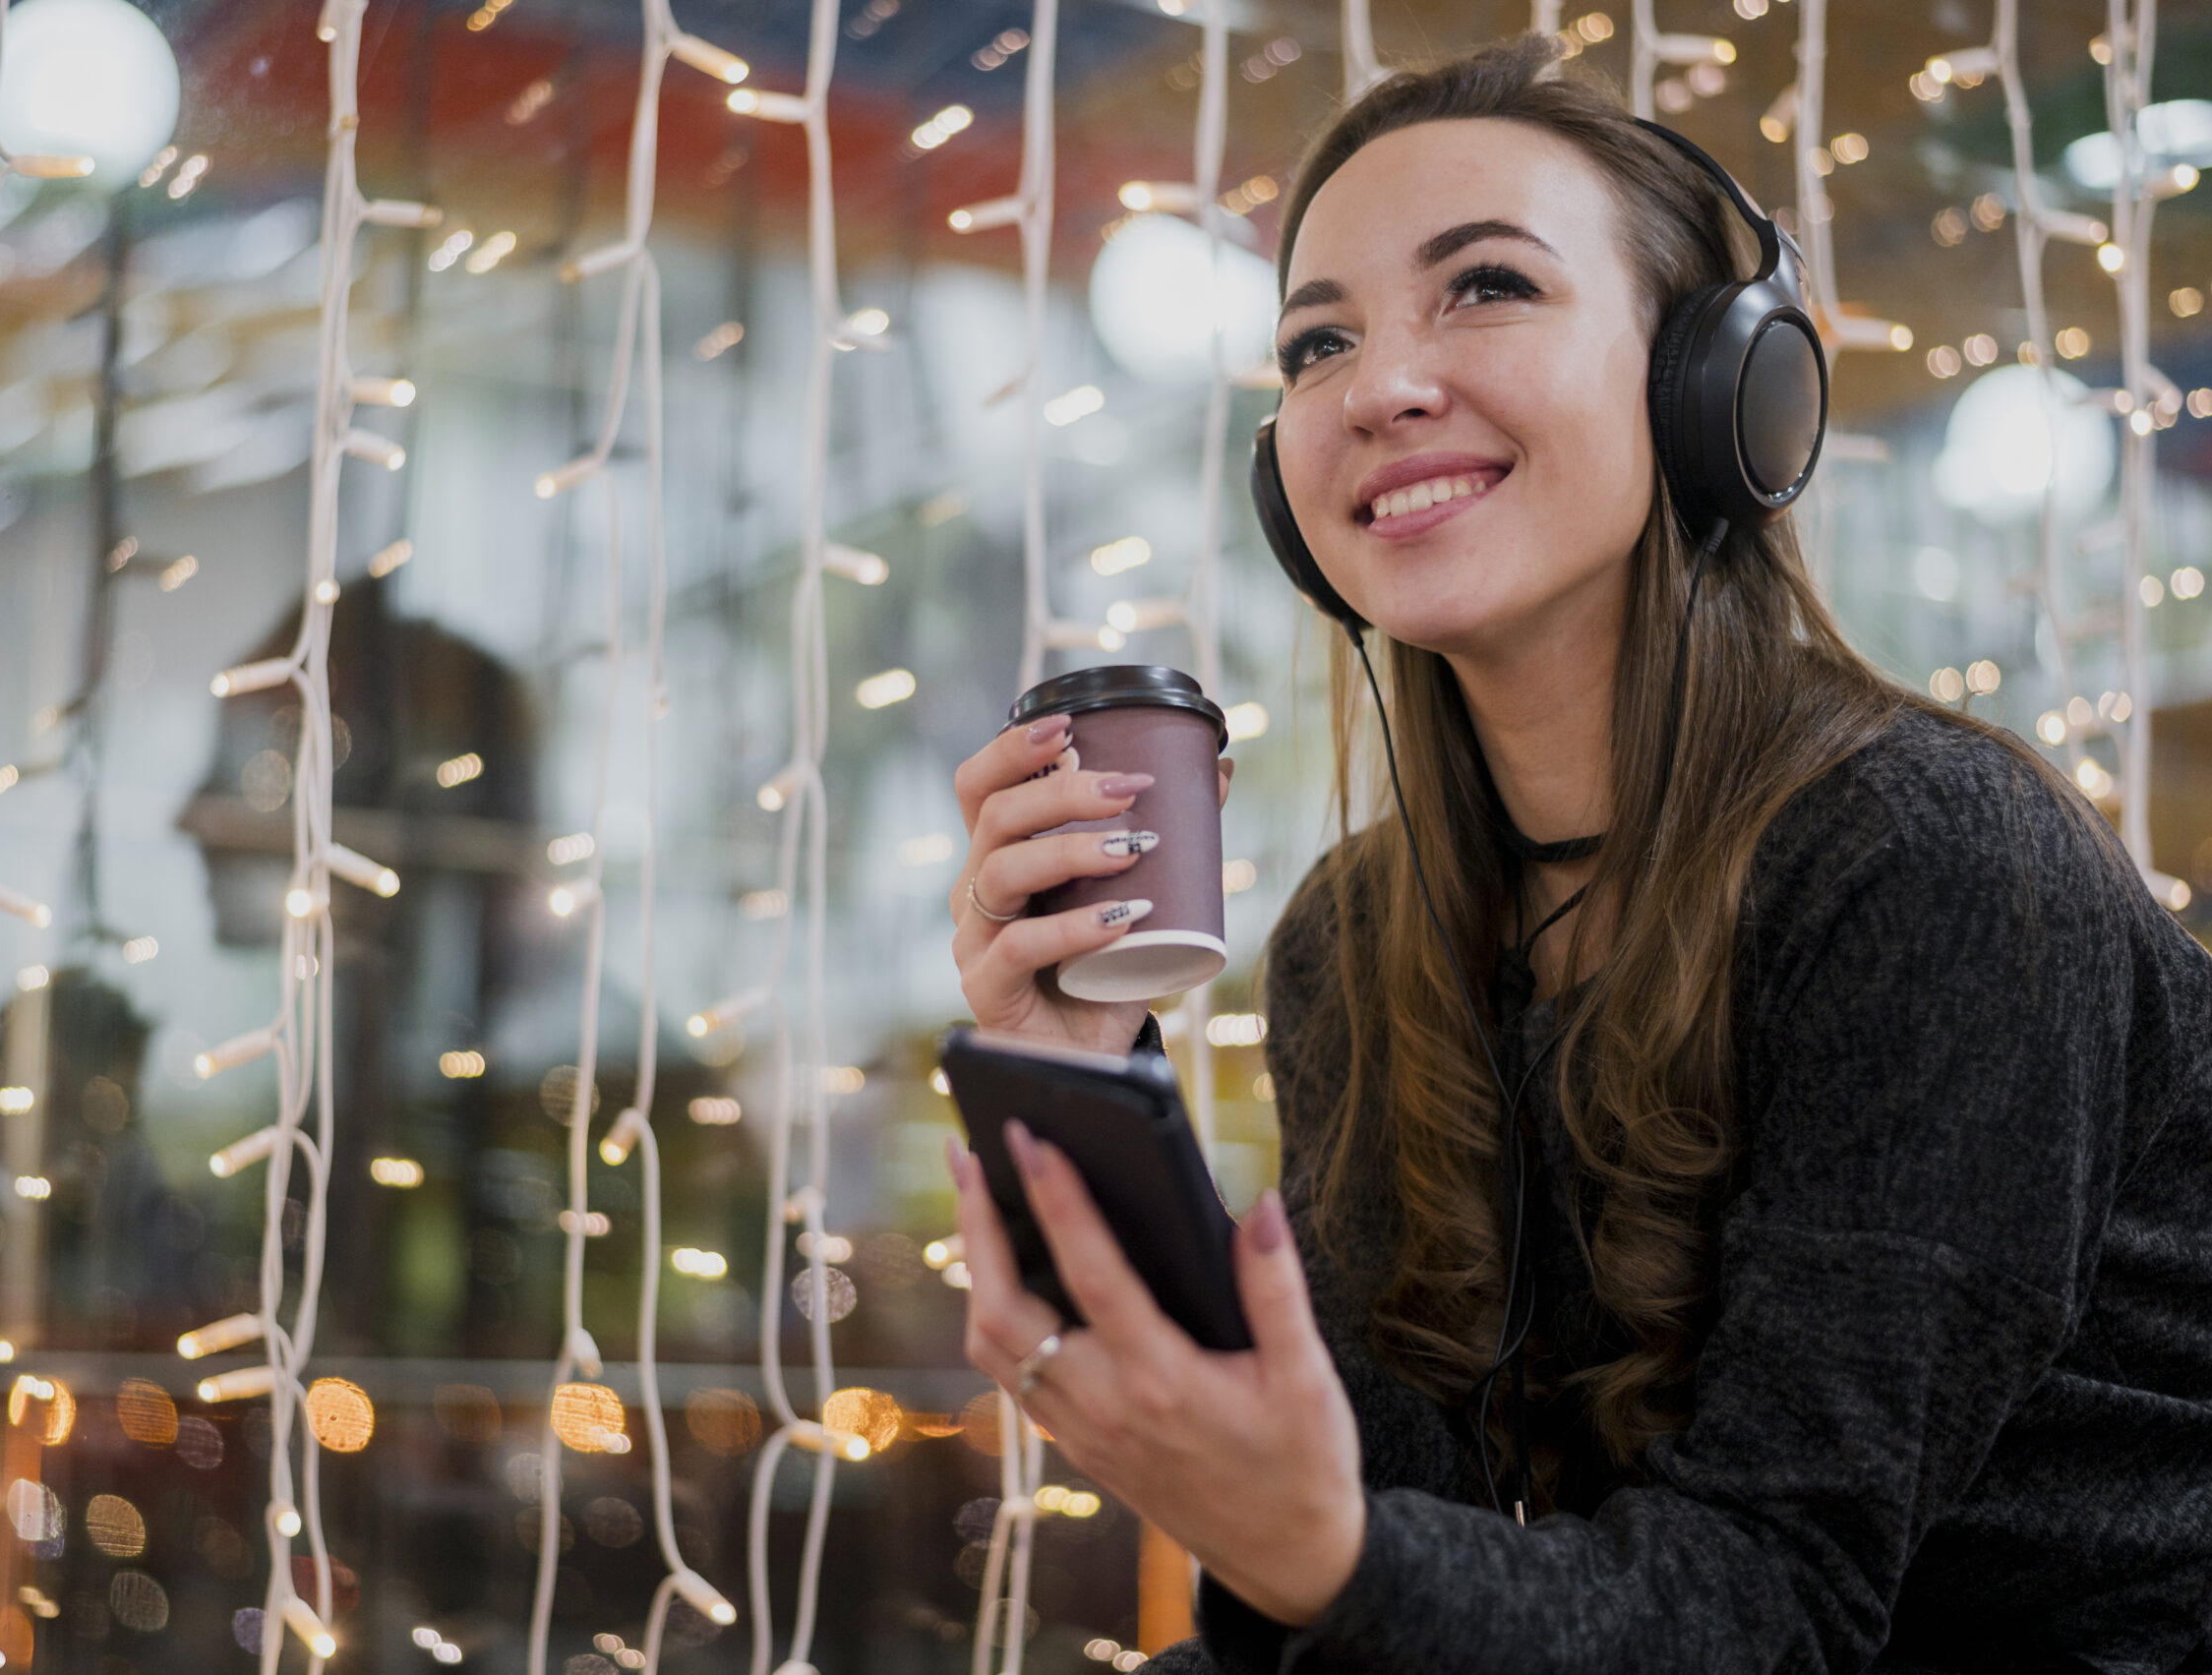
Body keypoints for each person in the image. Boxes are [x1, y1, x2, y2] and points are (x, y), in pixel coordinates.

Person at [943, 33, 2212, 1673]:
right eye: (1318, 341)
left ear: (1719, 390)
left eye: (1485, 289)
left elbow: (1774, 1608)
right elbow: (1389, 1562)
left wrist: (1320, 1550)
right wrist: (1094, 1077)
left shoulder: (1932, 861)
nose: (1380, 385)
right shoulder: (1364, 935)